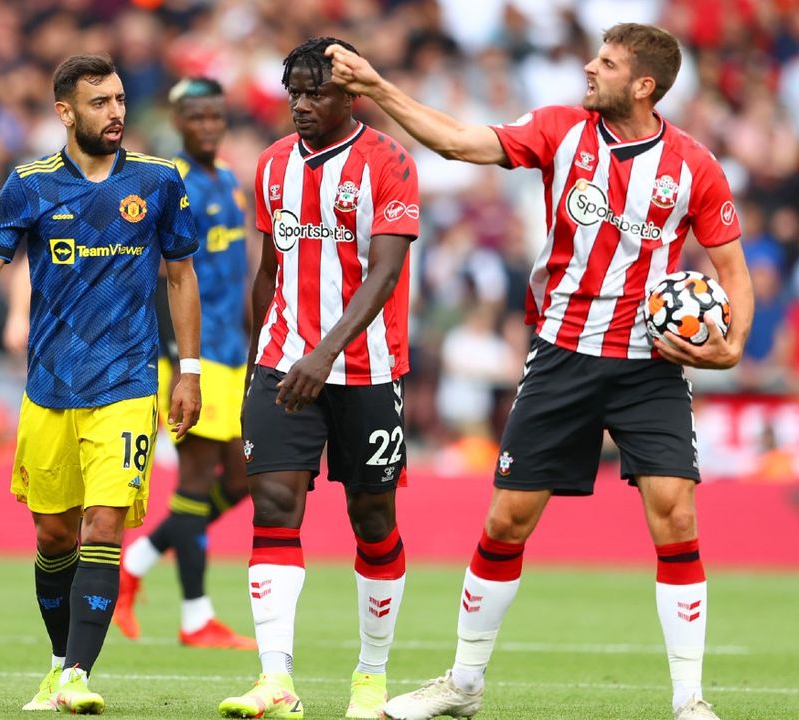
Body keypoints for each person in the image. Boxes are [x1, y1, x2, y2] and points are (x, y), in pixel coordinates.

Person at [326, 22, 753, 720]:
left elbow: (732, 270)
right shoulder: (560, 130)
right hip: (562, 352)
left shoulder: (693, 166)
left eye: (607, 63)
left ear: (643, 86)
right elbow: (458, 141)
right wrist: (376, 86)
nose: (590, 67)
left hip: (651, 364)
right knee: (508, 518)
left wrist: (732, 345)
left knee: (676, 515)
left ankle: (690, 700)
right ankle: (463, 685)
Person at [0, 54, 202, 716]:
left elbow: (180, 275)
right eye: (100, 102)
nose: (116, 112)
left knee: (102, 522)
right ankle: (59, 662)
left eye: (118, 100)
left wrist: (188, 369)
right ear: (65, 112)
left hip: (129, 381)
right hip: (49, 387)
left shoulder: (160, 180)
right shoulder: (29, 184)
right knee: (54, 536)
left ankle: (78, 673)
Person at [218, 37, 420, 720]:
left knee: (372, 517)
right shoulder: (272, 165)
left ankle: (371, 676)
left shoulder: (389, 163)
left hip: (366, 369)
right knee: (275, 504)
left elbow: (385, 273)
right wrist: (254, 365)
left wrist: (325, 354)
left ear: (351, 94)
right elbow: (270, 272)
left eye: (317, 92)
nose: (302, 104)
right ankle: (276, 680)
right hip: (283, 362)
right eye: (294, 92)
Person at [114, 77, 255, 651]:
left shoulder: (229, 182)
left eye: (216, 116)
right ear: (178, 121)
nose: (208, 125)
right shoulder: (167, 184)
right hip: (193, 356)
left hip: (233, 352)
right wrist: (177, 361)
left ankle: (137, 562)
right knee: (196, 481)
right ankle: (196, 617)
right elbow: (159, 277)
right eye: (196, 117)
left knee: (246, 477)